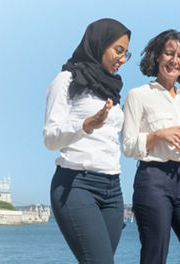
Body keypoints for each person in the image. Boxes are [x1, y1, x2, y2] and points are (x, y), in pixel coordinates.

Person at [43, 18, 131, 264]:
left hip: (113, 190)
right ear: (99, 44)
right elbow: (50, 138)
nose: (122, 59)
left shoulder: (110, 87)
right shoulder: (66, 81)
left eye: (126, 53)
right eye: (118, 50)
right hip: (76, 185)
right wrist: (84, 126)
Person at [122, 30, 180, 264]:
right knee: (155, 254)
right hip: (153, 179)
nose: (174, 60)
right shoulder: (138, 95)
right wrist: (158, 135)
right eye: (169, 53)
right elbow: (127, 146)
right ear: (157, 56)